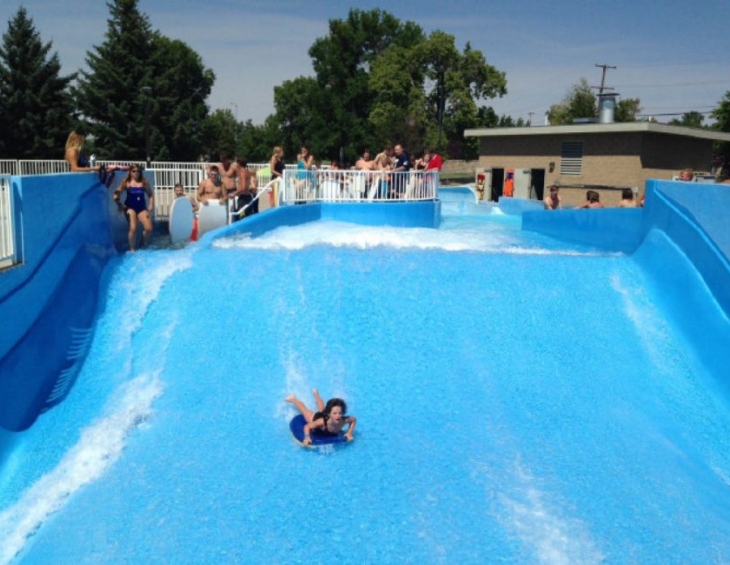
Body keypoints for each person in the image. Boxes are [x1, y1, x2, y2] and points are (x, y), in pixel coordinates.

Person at [285, 390, 357, 445]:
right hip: (316, 418)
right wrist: (307, 437)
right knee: (305, 411)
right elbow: (307, 427)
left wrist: (349, 433)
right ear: (329, 413)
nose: (338, 416)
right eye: (334, 413)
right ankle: (293, 399)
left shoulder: (344, 420)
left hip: (325, 415)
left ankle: (316, 395)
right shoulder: (321, 422)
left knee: (321, 409)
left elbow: (354, 420)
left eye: (340, 413)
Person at [113, 165, 155, 252]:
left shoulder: (144, 183)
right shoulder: (126, 183)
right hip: (130, 208)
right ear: (130, 172)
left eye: (138, 171)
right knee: (133, 228)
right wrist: (119, 204)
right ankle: (132, 249)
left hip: (141, 208)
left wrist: (151, 204)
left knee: (149, 228)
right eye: (134, 171)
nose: (136, 173)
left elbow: (150, 195)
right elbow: (116, 194)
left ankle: (142, 243)